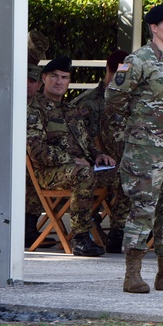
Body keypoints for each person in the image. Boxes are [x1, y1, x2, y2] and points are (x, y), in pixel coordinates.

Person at [105, 4, 163, 293]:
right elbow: (114, 98)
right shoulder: (139, 60)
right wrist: (139, 126)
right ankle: (132, 273)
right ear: (154, 28)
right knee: (143, 208)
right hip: (146, 149)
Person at [27, 56, 129, 257]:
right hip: (49, 172)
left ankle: (118, 234)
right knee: (83, 174)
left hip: (80, 169)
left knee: (125, 173)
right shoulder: (34, 110)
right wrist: (71, 160)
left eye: (64, 77)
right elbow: (36, 149)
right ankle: (81, 237)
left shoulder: (70, 110)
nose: (59, 82)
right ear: (44, 79)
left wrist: (99, 155)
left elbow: (86, 143)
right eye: (54, 76)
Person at [71, 50, 130, 252]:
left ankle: (118, 233)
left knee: (131, 174)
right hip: (93, 164)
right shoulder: (89, 102)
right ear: (108, 70)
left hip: (116, 163)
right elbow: (85, 140)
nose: (121, 80)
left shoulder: (127, 101)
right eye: (118, 74)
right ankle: (88, 230)